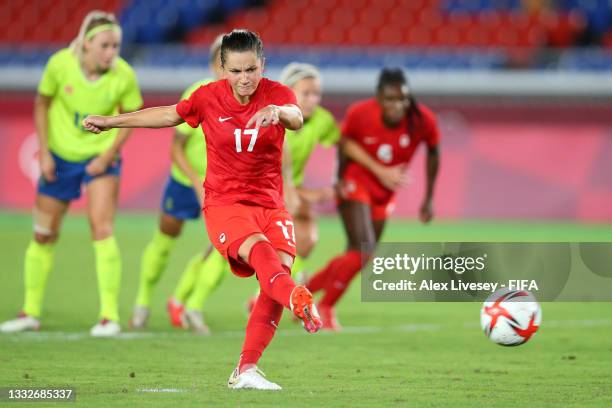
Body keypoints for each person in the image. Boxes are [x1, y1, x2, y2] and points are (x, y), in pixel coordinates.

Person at [82, 29, 322, 390]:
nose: (244, 79)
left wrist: (277, 112)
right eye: (236, 71)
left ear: (262, 66)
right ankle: (297, 298)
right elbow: (167, 115)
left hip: (271, 204)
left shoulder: (278, 95)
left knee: (278, 274)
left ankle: (246, 369)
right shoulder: (207, 97)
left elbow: (296, 117)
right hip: (226, 204)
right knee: (264, 258)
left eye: (251, 70)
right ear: (222, 68)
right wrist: (112, 120)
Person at [0, 11, 143, 337]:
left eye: (116, 46)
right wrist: (46, 152)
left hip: (100, 158)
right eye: (105, 45)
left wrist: (108, 154)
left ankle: (109, 317)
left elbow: (132, 116)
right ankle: (29, 312)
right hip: (60, 157)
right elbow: (42, 103)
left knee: (102, 228)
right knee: (43, 234)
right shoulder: (59, 65)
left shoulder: (123, 76)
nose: (112, 53)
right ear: (87, 43)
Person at [306, 68, 440, 331]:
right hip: (357, 184)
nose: (397, 105)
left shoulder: (422, 119)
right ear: (378, 97)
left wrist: (429, 198)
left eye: (402, 99)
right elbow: (344, 145)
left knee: (360, 255)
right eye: (390, 99)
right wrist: (341, 181)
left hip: (384, 193)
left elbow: (434, 151)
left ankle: (300, 294)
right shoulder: (360, 113)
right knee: (363, 250)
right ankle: (325, 307)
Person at [130, 34, 227, 334]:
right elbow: (176, 148)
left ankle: (193, 306)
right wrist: (197, 181)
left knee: (225, 249)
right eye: (225, 64)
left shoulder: (246, 101)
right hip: (186, 182)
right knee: (165, 241)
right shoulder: (197, 95)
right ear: (214, 65)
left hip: (224, 188)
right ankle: (142, 303)